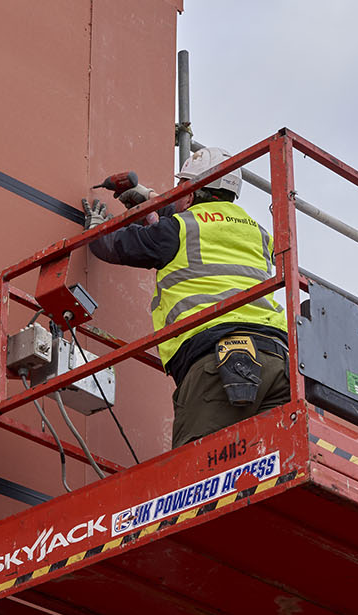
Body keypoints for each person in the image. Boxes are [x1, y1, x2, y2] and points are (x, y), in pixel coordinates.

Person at [86, 147, 291, 448]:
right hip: (278, 361)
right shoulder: (258, 232)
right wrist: (152, 202)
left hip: (218, 361)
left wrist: (94, 228)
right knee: (272, 467)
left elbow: (113, 245)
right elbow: (202, 225)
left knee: (197, 471)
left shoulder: (176, 229)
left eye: (181, 187)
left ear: (191, 192)